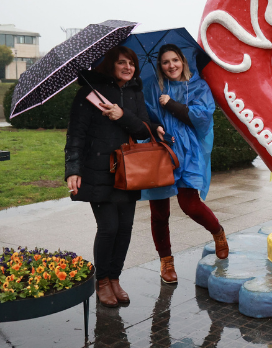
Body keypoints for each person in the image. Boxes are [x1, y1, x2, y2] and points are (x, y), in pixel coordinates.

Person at [65, 46, 153, 307]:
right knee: (108, 228)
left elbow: (143, 130)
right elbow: (76, 134)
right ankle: (102, 281)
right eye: (122, 63)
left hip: (129, 171)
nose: (128, 68)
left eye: (132, 64)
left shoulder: (136, 92)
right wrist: (73, 169)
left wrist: (121, 115)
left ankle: (115, 279)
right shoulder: (88, 93)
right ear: (110, 65)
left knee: (125, 229)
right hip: (97, 170)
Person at [140, 44, 227, 284]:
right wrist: (153, 126)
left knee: (190, 204)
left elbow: (202, 116)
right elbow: (142, 112)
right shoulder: (152, 87)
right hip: (160, 151)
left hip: (187, 152)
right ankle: (166, 261)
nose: (171, 66)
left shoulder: (198, 86)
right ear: (160, 65)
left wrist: (171, 104)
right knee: (159, 212)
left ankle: (218, 232)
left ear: (183, 62)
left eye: (175, 60)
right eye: (166, 62)